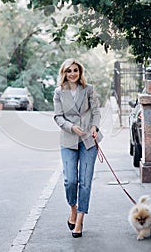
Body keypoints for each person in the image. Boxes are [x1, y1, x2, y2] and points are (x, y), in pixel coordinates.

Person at [53, 58, 103, 238]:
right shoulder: (59, 92)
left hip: (89, 140)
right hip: (68, 140)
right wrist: (71, 127)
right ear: (64, 73)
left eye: (75, 70)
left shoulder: (88, 89)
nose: (72, 73)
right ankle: (73, 209)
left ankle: (80, 220)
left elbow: (96, 111)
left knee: (85, 182)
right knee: (70, 180)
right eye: (69, 71)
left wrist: (94, 127)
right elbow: (58, 117)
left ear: (80, 72)